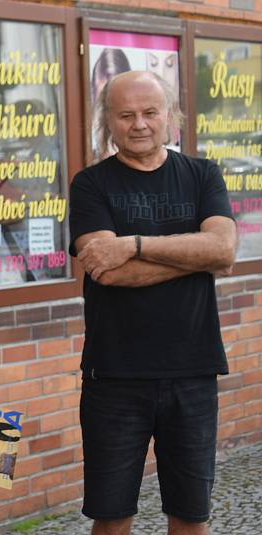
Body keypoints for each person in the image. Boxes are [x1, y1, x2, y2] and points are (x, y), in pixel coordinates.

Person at [69, 71, 236, 535]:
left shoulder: (203, 174)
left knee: (190, 514)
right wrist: (193, 257)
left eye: (150, 112)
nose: (139, 124)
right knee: (111, 515)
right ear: (108, 121)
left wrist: (135, 245)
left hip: (193, 371)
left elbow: (223, 250)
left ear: (171, 116)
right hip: (114, 376)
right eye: (126, 115)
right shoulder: (90, 185)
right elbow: (107, 270)